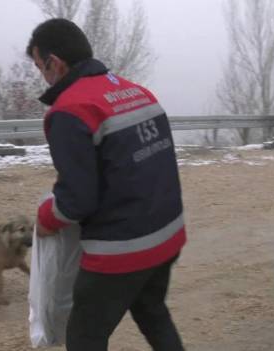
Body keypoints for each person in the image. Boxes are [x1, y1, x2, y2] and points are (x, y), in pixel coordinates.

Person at [27, 19, 186, 351]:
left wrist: (45, 218)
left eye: (40, 66)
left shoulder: (69, 109)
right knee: (153, 314)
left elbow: (76, 200)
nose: (41, 75)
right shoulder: (137, 92)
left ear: (54, 63)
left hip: (122, 251)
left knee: (85, 337)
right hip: (168, 235)